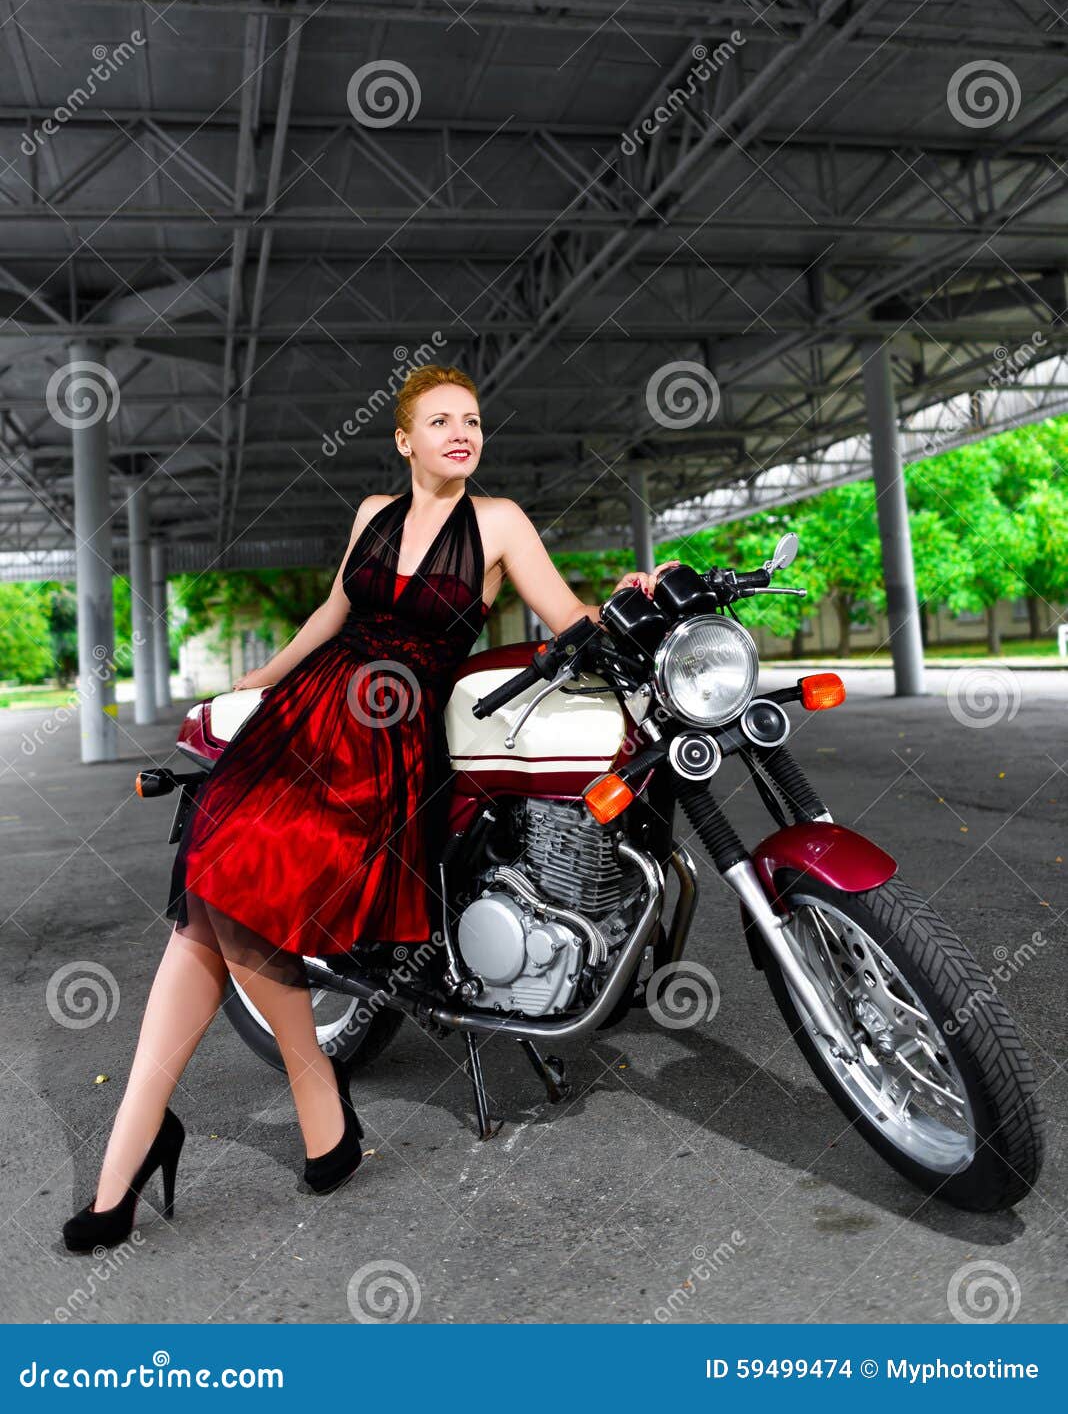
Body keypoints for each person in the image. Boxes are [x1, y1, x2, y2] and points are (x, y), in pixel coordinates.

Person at [61, 363, 679, 1251]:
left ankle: (233, 1121)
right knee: (214, 885)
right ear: (404, 440)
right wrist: (265, 678)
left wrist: (628, 596)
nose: (462, 433)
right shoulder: (370, 517)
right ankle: (250, 1122)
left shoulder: (498, 521)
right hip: (311, 714)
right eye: (441, 422)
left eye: (472, 420)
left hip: (392, 740)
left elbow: (565, 614)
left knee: (228, 891)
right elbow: (333, 612)